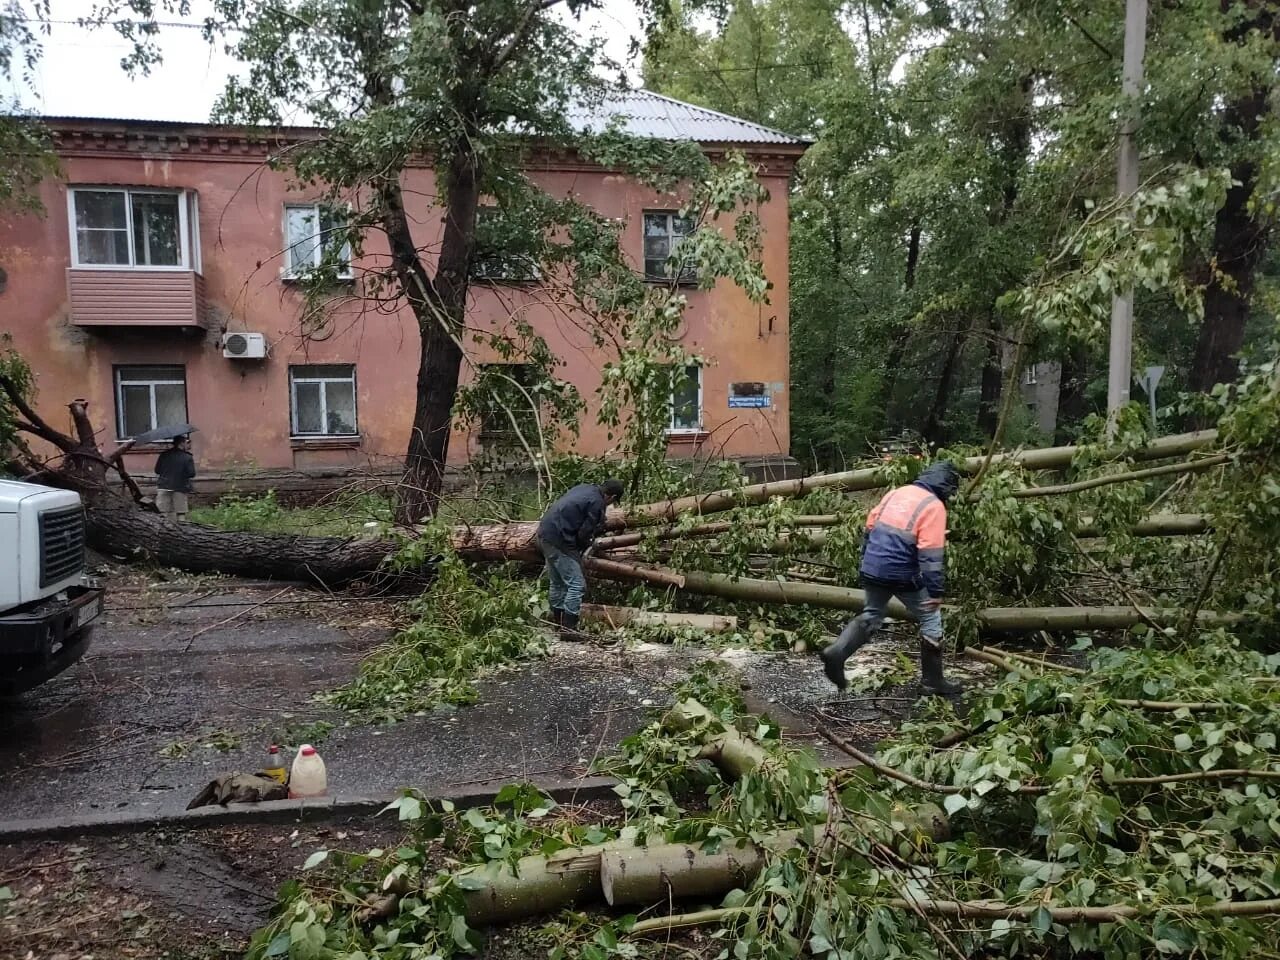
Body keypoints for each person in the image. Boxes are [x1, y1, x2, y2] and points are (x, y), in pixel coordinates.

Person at [821, 462, 963, 696]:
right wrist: (935, 592)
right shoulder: (934, 507)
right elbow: (930, 555)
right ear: (945, 486)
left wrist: (865, 562)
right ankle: (932, 682)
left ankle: (837, 652)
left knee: (872, 614)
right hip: (901, 571)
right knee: (930, 618)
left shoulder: (897, 492)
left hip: (873, 565)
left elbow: (869, 526)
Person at [537, 479, 625, 639]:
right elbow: (584, 533)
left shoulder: (585, 487)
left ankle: (558, 624)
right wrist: (588, 543)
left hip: (545, 532)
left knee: (557, 582)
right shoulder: (597, 503)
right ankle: (569, 630)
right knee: (576, 584)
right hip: (560, 538)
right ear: (611, 497)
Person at [154, 435, 196, 522]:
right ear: (181, 443)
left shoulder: (164, 455)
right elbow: (191, 473)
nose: (187, 445)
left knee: (162, 513)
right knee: (181, 513)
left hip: (163, 486)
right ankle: (181, 532)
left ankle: (162, 532)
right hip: (179, 487)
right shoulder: (187, 457)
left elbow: (157, 470)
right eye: (186, 442)